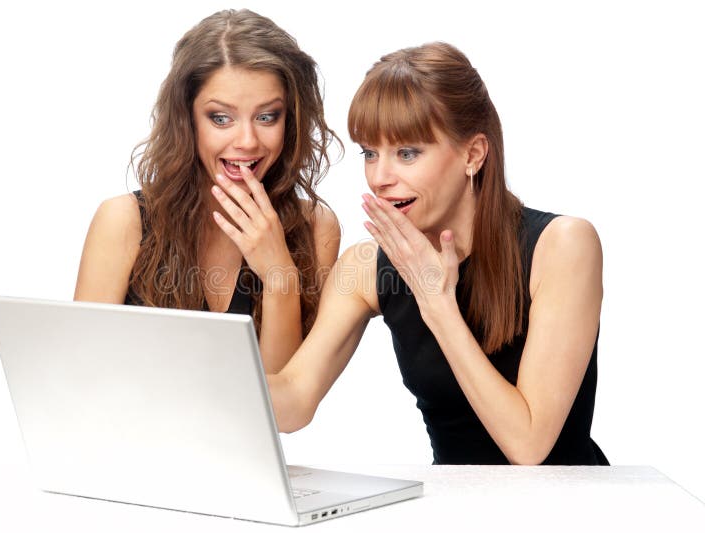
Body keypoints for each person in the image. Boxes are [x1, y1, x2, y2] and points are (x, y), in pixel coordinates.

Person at [268, 42, 608, 465]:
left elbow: (529, 445)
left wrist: (439, 305)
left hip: (567, 512)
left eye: (407, 153)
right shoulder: (365, 267)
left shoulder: (563, 245)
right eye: (370, 153)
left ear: (473, 154)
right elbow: (293, 404)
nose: (380, 177)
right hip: (452, 510)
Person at [74, 9, 341, 374]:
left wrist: (280, 277)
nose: (247, 141)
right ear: (187, 119)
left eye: (267, 117)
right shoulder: (124, 222)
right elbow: (80, 378)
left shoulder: (315, 228)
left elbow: (283, 409)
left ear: (289, 119)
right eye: (221, 118)